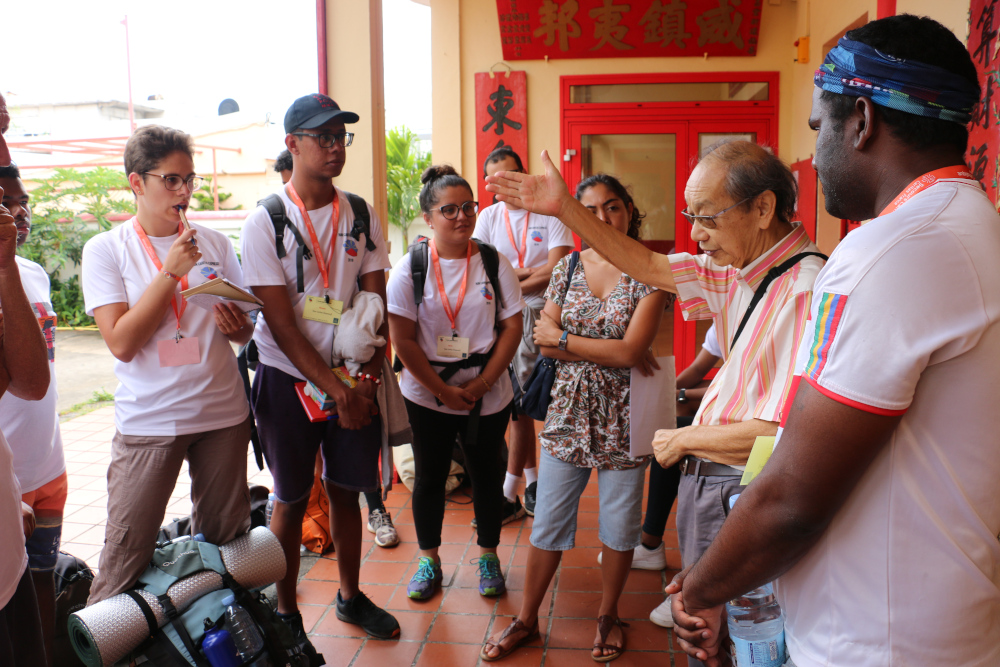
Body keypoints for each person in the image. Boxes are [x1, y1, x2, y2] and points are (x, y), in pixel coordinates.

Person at [666, 16, 1000, 667]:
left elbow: (793, 492)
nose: (813, 158)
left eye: (819, 129)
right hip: (942, 620)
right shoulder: (975, 224)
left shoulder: (887, 251)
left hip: (876, 640)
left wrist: (701, 587)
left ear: (863, 119)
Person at [486, 141, 824, 667]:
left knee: (739, 639)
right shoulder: (740, 270)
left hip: (739, 484)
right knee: (708, 634)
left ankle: (609, 614)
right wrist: (564, 210)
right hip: (698, 475)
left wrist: (685, 437)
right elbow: (647, 262)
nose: (696, 234)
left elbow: (789, 432)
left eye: (708, 217)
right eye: (692, 216)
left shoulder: (803, 290)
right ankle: (529, 617)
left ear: (762, 208)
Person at [482, 174, 670, 662]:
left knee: (619, 527)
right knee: (547, 523)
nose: (603, 218)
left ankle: (608, 614)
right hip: (567, 415)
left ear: (630, 211)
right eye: (590, 209)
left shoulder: (652, 271)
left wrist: (572, 342)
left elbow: (629, 350)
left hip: (625, 421)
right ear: (575, 214)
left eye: (613, 207)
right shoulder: (565, 269)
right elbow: (544, 337)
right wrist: (606, 350)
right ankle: (526, 618)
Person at [240, 94, 399, 642]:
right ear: (293, 144)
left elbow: (376, 304)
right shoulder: (267, 220)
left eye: (341, 137)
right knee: (287, 497)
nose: (335, 148)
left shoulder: (359, 212)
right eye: (323, 137)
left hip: (353, 377)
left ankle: (351, 597)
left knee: (348, 490)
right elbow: (282, 323)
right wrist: (338, 391)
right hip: (288, 378)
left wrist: (367, 381)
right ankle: (286, 614)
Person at [82, 126, 254, 605]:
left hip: (222, 413)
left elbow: (244, 334)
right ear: (137, 183)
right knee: (126, 552)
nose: (184, 192)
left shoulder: (215, 244)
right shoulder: (105, 250)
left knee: (226, 545)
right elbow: (121, 342)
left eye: (190, 180)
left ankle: (221, 639)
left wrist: (236, 323)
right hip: (149, 419)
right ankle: (108, 644)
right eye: (171, 180)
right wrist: (170, 272)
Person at [388, 165, 523, 600]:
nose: (461, 216)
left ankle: (488, 556)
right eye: (449, 209)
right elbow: (402, 340)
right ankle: (429, 560)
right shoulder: (411, 267)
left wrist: (483, 384)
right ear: (428, 216)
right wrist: (443, 391)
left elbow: (512, 327)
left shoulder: (491, 260)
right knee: (429, 477)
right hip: (427, 393)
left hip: (489, 391)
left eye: (468, 207)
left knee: (487, 474)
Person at [474, 146, 573, 520]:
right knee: (518, 407)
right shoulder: (487, 217)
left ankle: (520, 489)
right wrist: (526, 277)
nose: (507, 183)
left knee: (534, 404)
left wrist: (511, 277)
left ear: (525, 173)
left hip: (548, 316)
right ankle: (530, 485)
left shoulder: (550, 209)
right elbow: (486, 273)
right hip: (504, 320)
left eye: (513, 174)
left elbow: (559, 268)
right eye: (498, 179)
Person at [0, 164, 65, 666]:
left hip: (48, 466)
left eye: (20, 201)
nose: (17, 212)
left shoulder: (32, 273)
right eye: (5, 202)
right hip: (11, 475)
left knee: (42, 577)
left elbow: (36, 378)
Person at [632, 323, 721, 629]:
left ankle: (694, 587)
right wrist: (667, 397)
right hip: (720, 412)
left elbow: (737, 389)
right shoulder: (726, 313)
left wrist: (682, 394)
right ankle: (650, 544)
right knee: (669, 440)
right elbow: (697, 369)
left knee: (693, 455)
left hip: (749, 423)